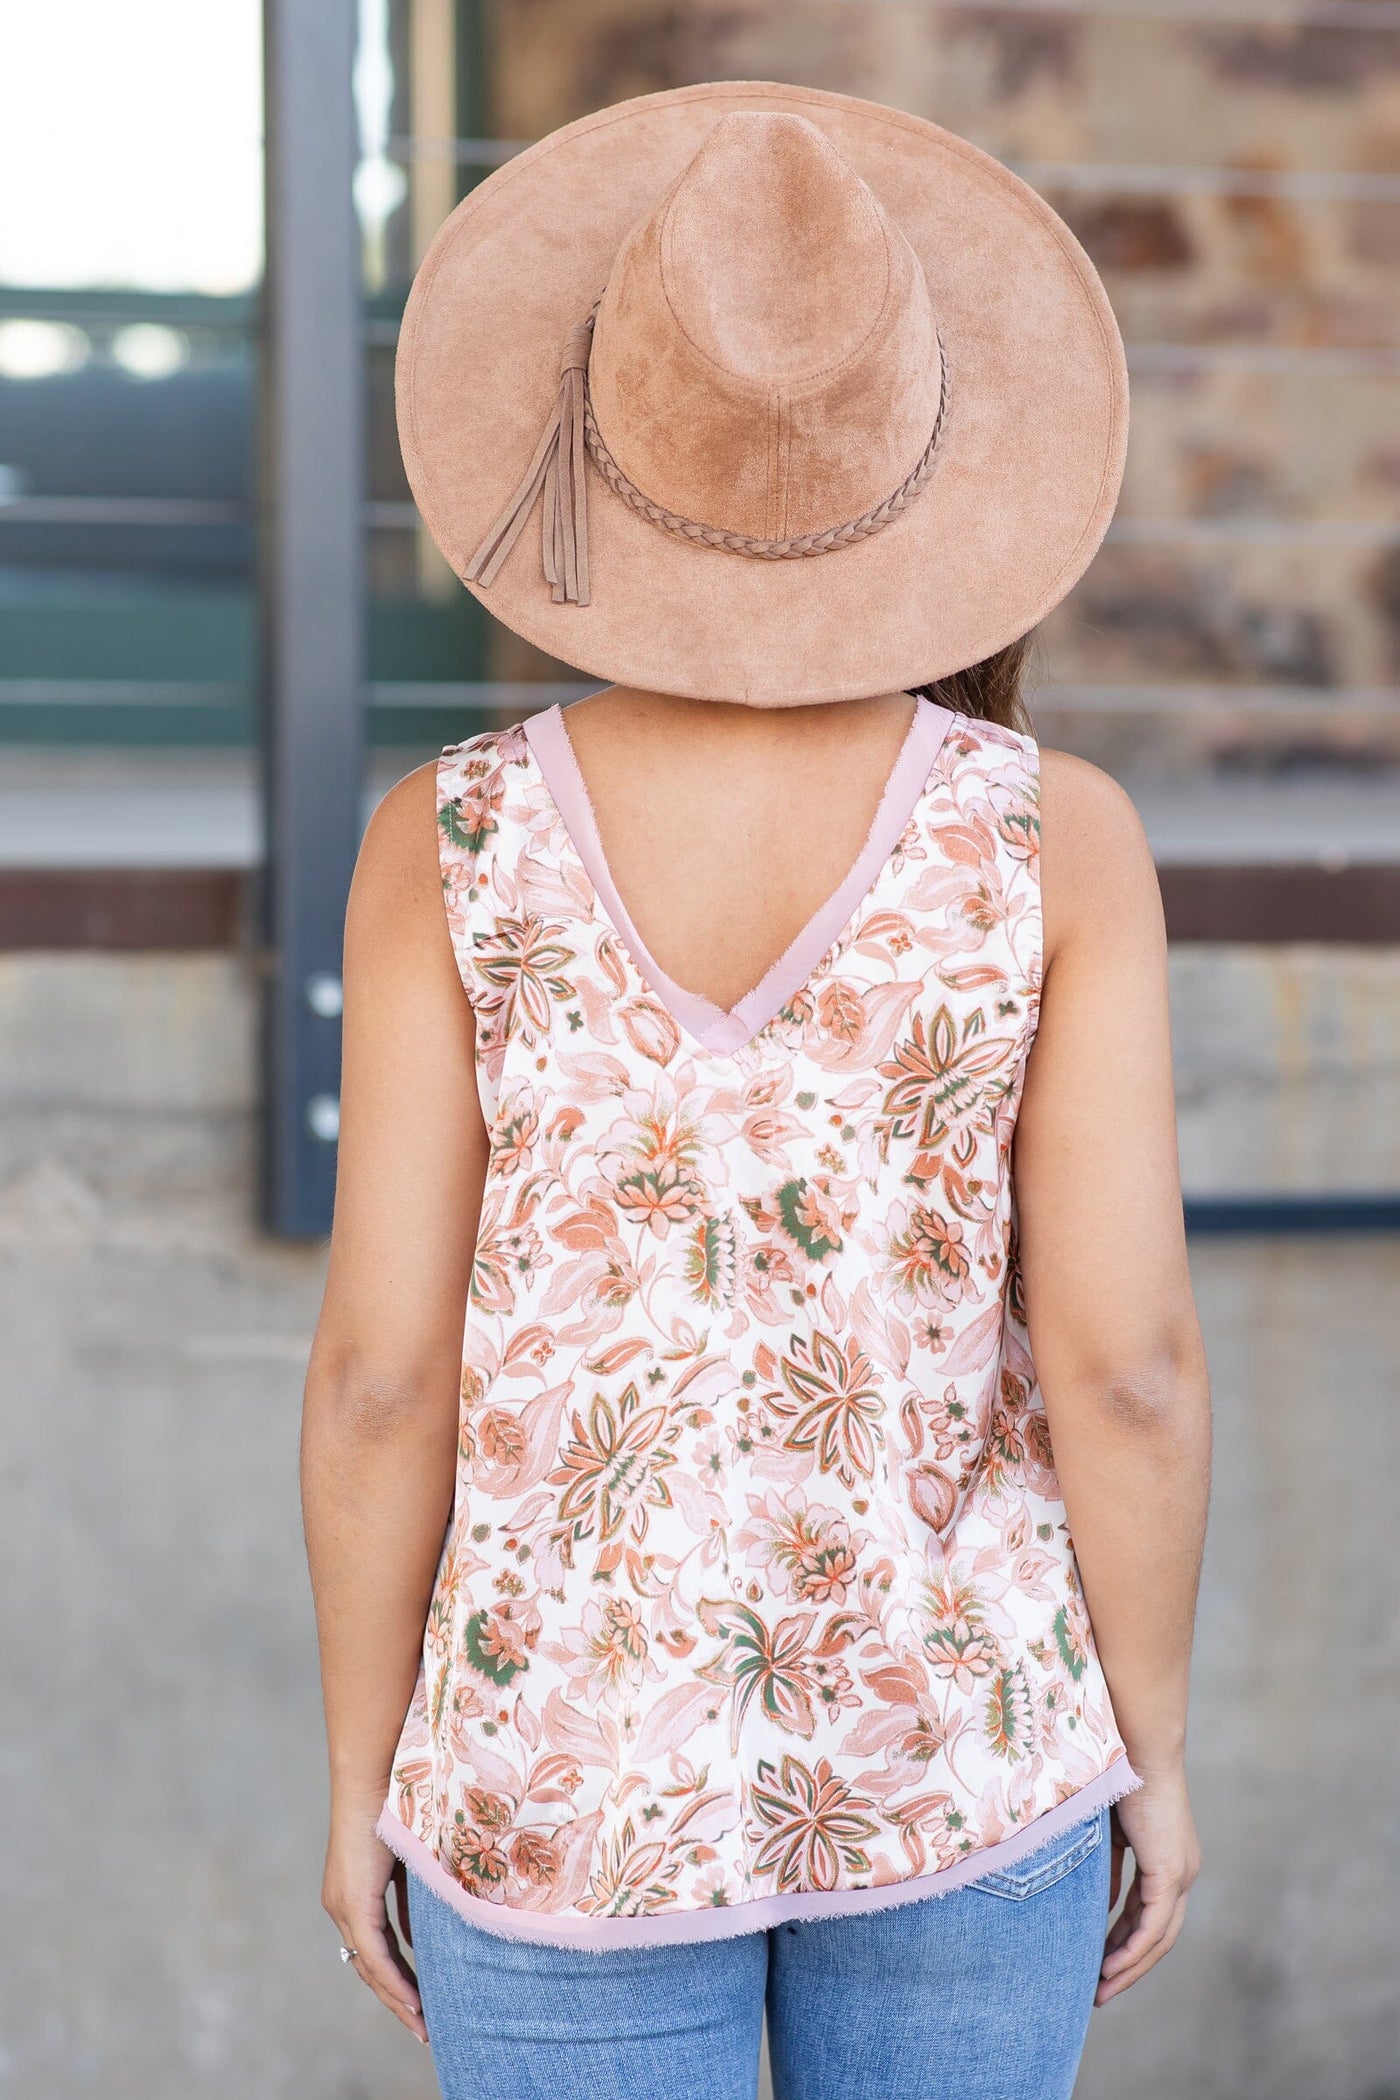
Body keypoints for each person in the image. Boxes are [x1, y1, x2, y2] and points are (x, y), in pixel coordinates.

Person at [301, 82, 1211, 2100]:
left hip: (552, 1787)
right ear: (929, 453)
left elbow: (381, 1372)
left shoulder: (442, 841)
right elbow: (1126, 1359)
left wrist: (369, 1768)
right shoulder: (1054, 838)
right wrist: (1144, 1737)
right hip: (965, 1761)